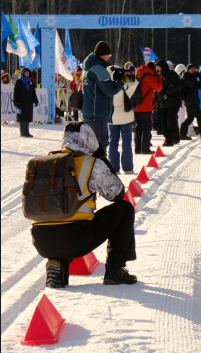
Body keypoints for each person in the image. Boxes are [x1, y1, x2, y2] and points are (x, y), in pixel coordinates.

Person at [31, 122, 138, 288]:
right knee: (124, 209)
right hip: (75, 238)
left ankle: (58, 264)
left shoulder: (46, 163)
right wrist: (102, 158)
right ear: (90, 139)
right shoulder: (90, 164)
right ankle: (115, 270)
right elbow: (117, 193)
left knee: (61, 221)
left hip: (41, 240)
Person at [81, 41, 125, 148]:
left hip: (88, 114)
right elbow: (110, 90)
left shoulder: (88, 67)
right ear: (103, 55)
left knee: (90, 147)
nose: (109, 57)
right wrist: (123, 80)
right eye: (109, 55)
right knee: (100, 146)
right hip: (98, 114)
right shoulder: (98, 69)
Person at [108, 65, 139, 174]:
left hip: (112, 116)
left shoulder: (108, 85)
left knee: (113, 142)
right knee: (127, 142)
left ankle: (113, 167)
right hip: (126, 115)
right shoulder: (126, 84)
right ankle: (128, 167)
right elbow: (135, 83)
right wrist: (127, 76)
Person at [133, 62, 163, 154]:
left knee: (138, 128)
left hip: (136, 105)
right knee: (146, 127)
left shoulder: (138, 74)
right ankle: (145, 149)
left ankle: (138, 149)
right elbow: (159, 87)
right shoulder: (148, 77)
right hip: (145, 107)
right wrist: (158, 76)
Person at [179, 64, 201, 141]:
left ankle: (182, 133)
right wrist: (195, 76)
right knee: (200, 116)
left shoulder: (192, 77)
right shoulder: (186, 76)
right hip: (190, 101)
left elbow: (200, 86)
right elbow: (189, 84)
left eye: (194, 69)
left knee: (190, 118)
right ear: (188, 70)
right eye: (192, 69)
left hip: (193, 101)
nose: (194, 70)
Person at [157, 60, 182, 147]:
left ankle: (175, 138)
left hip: (173, 101)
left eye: (158, 66)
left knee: (171, 120)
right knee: (163, 123)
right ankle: (168, 139)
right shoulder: (158, 75)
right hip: (163, 102)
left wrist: (167, 92)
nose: (157, 68)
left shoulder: (172, 74)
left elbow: (178, 86)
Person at [13, 67, 38, 137]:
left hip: (29, 103)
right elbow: (16, 93)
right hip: (21, 103)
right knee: (22, 118)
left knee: (27, 118)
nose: (27, 74)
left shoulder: (30, 82)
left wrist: (35, 100)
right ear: (23, 73)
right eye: (25, 73)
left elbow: (33, 93)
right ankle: (22, 133)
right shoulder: (19, 82)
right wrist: (16, 102)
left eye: (28, 73)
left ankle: (27, 132)